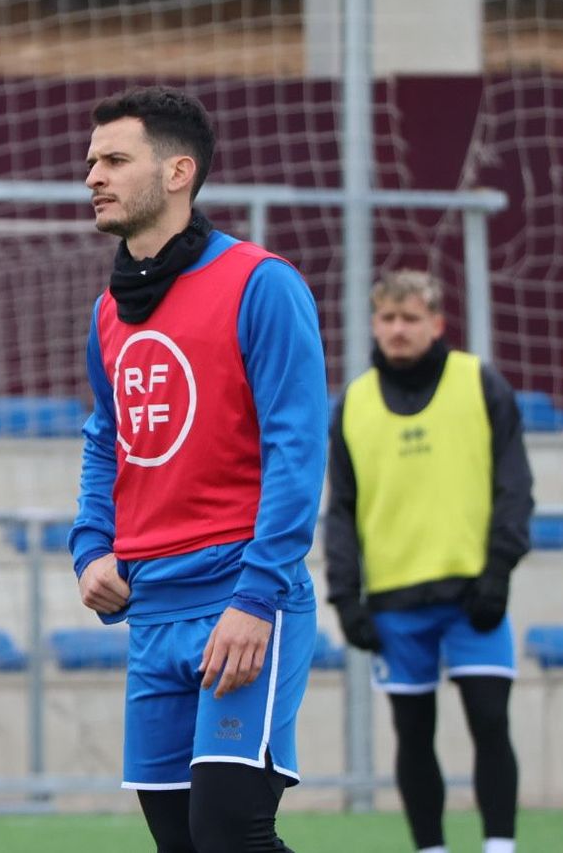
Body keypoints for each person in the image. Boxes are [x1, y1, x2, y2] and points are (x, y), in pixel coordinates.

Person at [68, 86, 328, 853]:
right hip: (152, 610)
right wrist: (91, 545)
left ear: (179, 171)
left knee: (230, 833)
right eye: (91, 161)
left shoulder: (262, 282)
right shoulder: (109, 312)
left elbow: (298, 445)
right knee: (181, 843)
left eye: (116, 159)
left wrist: (256, 594)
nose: (93, 176)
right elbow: (103, 436)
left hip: (241, 596)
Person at [324, 269, 535, 853]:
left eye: (410, 318)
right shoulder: (353, 404)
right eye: (387, 319)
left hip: (474, 596)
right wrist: (345, 598)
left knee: (490, 720)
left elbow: (514, 487)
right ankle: (431, 848)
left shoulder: (480, 383)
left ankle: (499, 845)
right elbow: (339, 510)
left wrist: (498, 573)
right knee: (412, 733)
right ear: (373, 323)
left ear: (436, 323)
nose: (398, 330)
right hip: (393, 602)